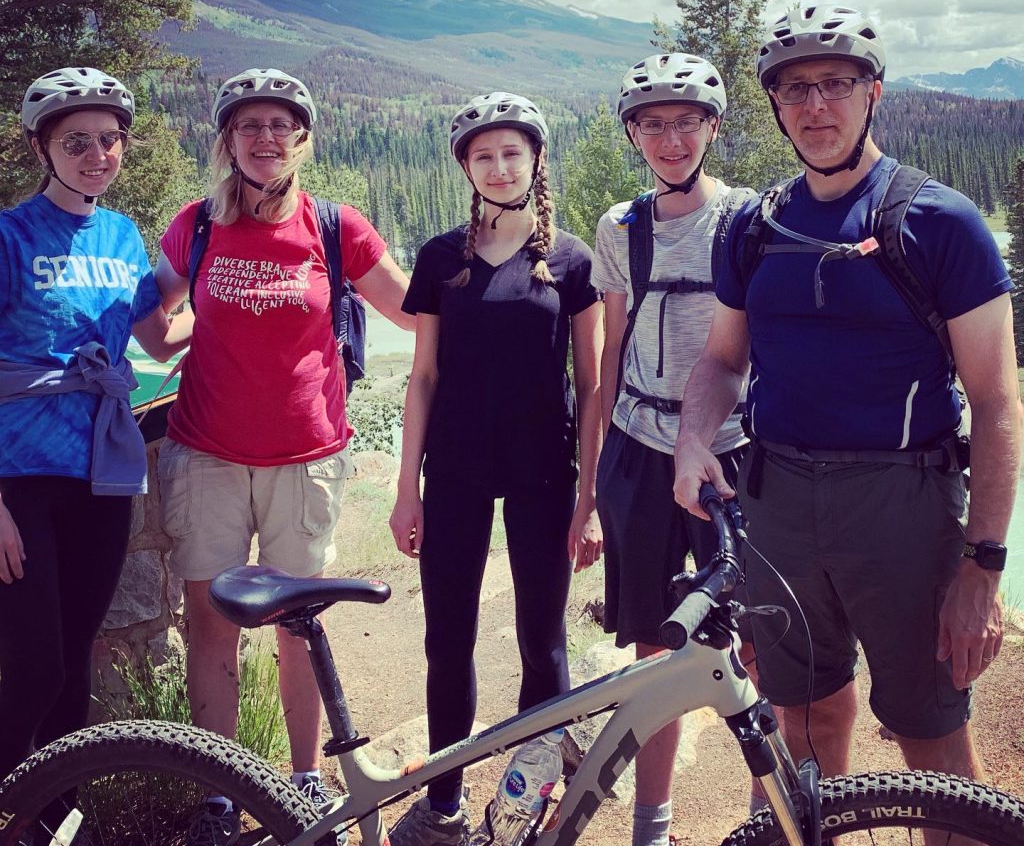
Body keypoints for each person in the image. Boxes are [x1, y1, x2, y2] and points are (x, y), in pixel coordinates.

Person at [673, 6, 1021, 793]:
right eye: (796, 90)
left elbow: (997, 403)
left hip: (903, 504)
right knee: (802, 718)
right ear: (774, 107)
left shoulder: (941, 222)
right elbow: (723, 361)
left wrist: (983, 568)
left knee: (929, 735)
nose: (816, 106)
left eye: (837, 83)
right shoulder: (756, 227)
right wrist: (695, 439)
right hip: (779, 502)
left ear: (875, 93)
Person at [154, 67, 412, 844]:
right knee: (209, 623)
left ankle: (301, 777)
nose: (266, 139)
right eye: (249, 126)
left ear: (303, 139)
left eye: (280, 125)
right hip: (206, 452)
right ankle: (219, 792)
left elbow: (411, 309)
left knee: (300, 625)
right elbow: (150, 316)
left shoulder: (335, 226)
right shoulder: (197, 224)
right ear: (228, 140)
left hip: (306, 457)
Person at [387, 92, 603, 846]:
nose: (500, 166)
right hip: (456, 472)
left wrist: (592, 498)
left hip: (545, 470)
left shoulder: (572, 260)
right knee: (448, 640)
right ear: (466, 167)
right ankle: (442, 801)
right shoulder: (442, 259)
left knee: (542, 644)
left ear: (536, 160)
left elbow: (592, 382)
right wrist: (405, 486)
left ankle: (527, 808)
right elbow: (422, 378)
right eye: (484, 155)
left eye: (513, 152)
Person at [0, 66, 191, 784]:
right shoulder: (10, 236)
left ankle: (49, 816)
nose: (97, 154)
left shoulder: (119, 234)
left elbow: (158, 336)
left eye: (110, 140)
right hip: (21, 479)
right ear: (40, 149)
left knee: (75, 656)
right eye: (76, 140)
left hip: (103, 476)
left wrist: (252, 318)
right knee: (34, 668)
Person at [592, 53, 753, 846]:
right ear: (633, 134)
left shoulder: (745, 220)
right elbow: (610, 353)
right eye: (652, 124)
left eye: (686, 121)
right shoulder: (620, 226)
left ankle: (773, 817)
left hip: (735, 452)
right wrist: (596, 479)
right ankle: (650, 828)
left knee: (760, 644)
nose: (670, 138)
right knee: (656, 653)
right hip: (640, 449)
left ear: (712, 128)